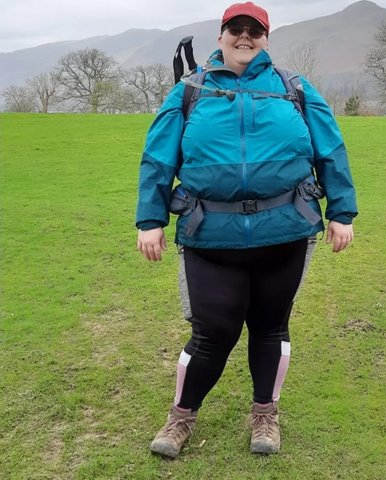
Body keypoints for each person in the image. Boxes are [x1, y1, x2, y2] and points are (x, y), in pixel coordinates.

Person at [136, 1, 357, 458]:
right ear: (221, 36)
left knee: (271, 328)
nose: (244, 37)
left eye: (253, 30)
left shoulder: (292, 87)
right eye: (235, 29)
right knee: (212, 332)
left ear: (266, 38)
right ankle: (181, 417)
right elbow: (158, 158)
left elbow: (330, 148)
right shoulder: (189, 91)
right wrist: (150, 220)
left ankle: (265, 413)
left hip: (285, 232)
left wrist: (342, 212)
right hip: (210, 235)